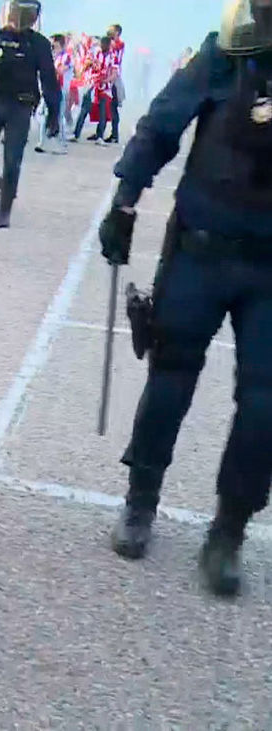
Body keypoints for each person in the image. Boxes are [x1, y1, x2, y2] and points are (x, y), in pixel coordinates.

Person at [100, 0, 272, 597]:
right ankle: (141, 500)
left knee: (265, 404)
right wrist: (125, 199)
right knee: (171, 376)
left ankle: (228, 532)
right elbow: (164, 122)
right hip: (201, 249)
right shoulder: (226, 53)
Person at [0, 0, 59, 228]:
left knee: (12, 160)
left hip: (21, 106)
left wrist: (54, 114)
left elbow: (49, 79)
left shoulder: (39, 44)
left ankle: (5, 210)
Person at [71, 36, 114, 144]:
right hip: (91, 84)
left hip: (104, 87)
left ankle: (100, 136)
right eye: (102, 44)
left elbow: (114, 72)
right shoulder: (94, 53)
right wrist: (82, 72)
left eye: (106, 45)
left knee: (103, 111)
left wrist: (107, 80)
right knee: (85, 109)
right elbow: (86, 64)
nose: (104, 46)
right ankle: (76, 134)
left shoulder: (112, 57)